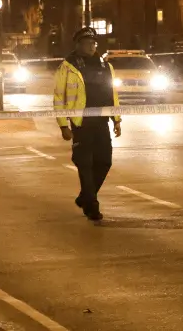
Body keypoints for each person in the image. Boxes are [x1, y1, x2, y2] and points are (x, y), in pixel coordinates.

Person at [53, 27, 122, 221]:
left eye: (94, 43)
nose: (91, 46)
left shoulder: (105, 66)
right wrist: (63, 125)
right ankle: (92, 206)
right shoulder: (67, 66)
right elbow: (59, 97)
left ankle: (85, 197)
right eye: (87, 43)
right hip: (80, 123)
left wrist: (116, 120)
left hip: (101, 122)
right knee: (84, 163)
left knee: (104, 162)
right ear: (78, 45)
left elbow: (112, 95)